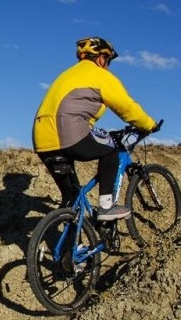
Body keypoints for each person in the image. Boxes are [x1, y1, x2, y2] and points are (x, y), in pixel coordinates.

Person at [32, 37, 158, 221]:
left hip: (42, 138)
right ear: (101, 58)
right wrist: (149, 125)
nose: (107, 65)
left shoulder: (66, 75)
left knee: (72, 198)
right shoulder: (100, 75)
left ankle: (71, 246)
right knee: (111, 149)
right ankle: (107, 207)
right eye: (107, 61)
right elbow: (126, 107)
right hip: (68, 132)